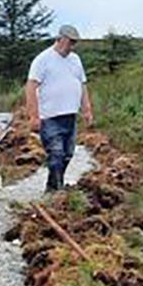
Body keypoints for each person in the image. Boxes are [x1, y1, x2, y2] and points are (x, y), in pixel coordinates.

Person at [26, 25, 95, 192]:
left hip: (70, 115)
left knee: (67, 154)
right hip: (50, 116)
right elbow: (30, 87)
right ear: (61, 39)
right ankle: (56, 189)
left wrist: (87, 109)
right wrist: (34, 116)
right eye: (70, 42)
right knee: (56, 153)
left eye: (75, 43)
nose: (72, 46)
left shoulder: (75, 60)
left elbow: (82, 85)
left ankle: (54, 186)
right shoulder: (43, 59)